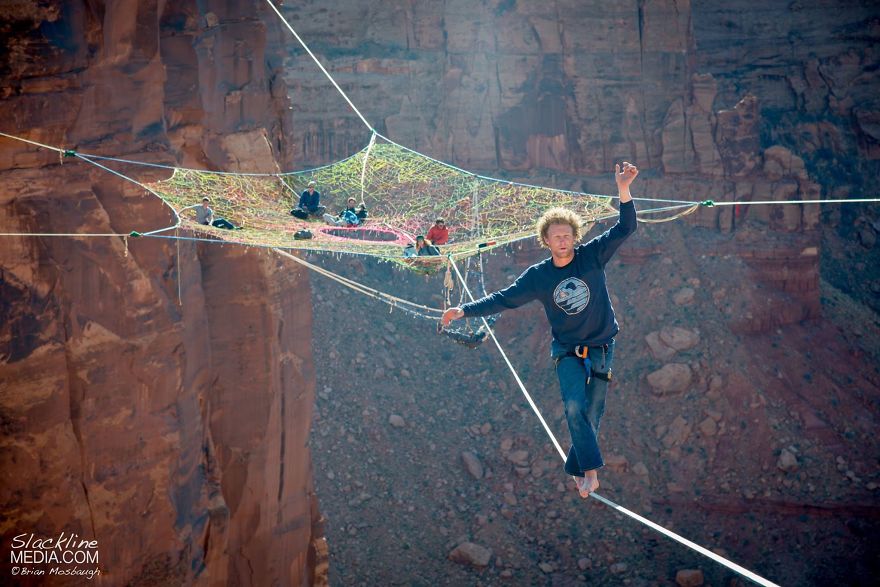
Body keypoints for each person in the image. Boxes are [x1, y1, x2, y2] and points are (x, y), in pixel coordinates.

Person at [442, 162, 639, 499]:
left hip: (603, 348)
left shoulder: (591, 256)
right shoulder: (538, 276)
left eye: (567, 235)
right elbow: (504, 299)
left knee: (593, 412)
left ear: (575, 237)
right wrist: (464, 311)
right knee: (575, 407)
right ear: (545, 240)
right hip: (567, 353)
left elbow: (625, 228)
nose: (562, 240)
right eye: (556, 236)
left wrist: (623, 189)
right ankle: (589, 475)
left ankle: (578, 470)